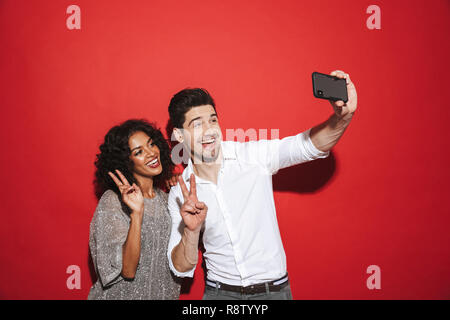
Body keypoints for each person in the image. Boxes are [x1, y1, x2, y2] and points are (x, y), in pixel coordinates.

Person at [166, 70, 358, 300]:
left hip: (273, 292)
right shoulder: (181, 193)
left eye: (213, 120)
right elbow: (181, 267)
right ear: (178, 135)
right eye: (197, 124)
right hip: (220, 293)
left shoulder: (251, 157)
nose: (209, 131)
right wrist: (191, 230)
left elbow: (308, 146)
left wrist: (342, 118)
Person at [88, 119, 181, 300]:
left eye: (151, 144)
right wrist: (136, 214)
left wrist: (177, 189)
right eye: (138, 152)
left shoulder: (167, 200)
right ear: (126, 162)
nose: (151, 153)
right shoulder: (113, 201)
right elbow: (128, 270)